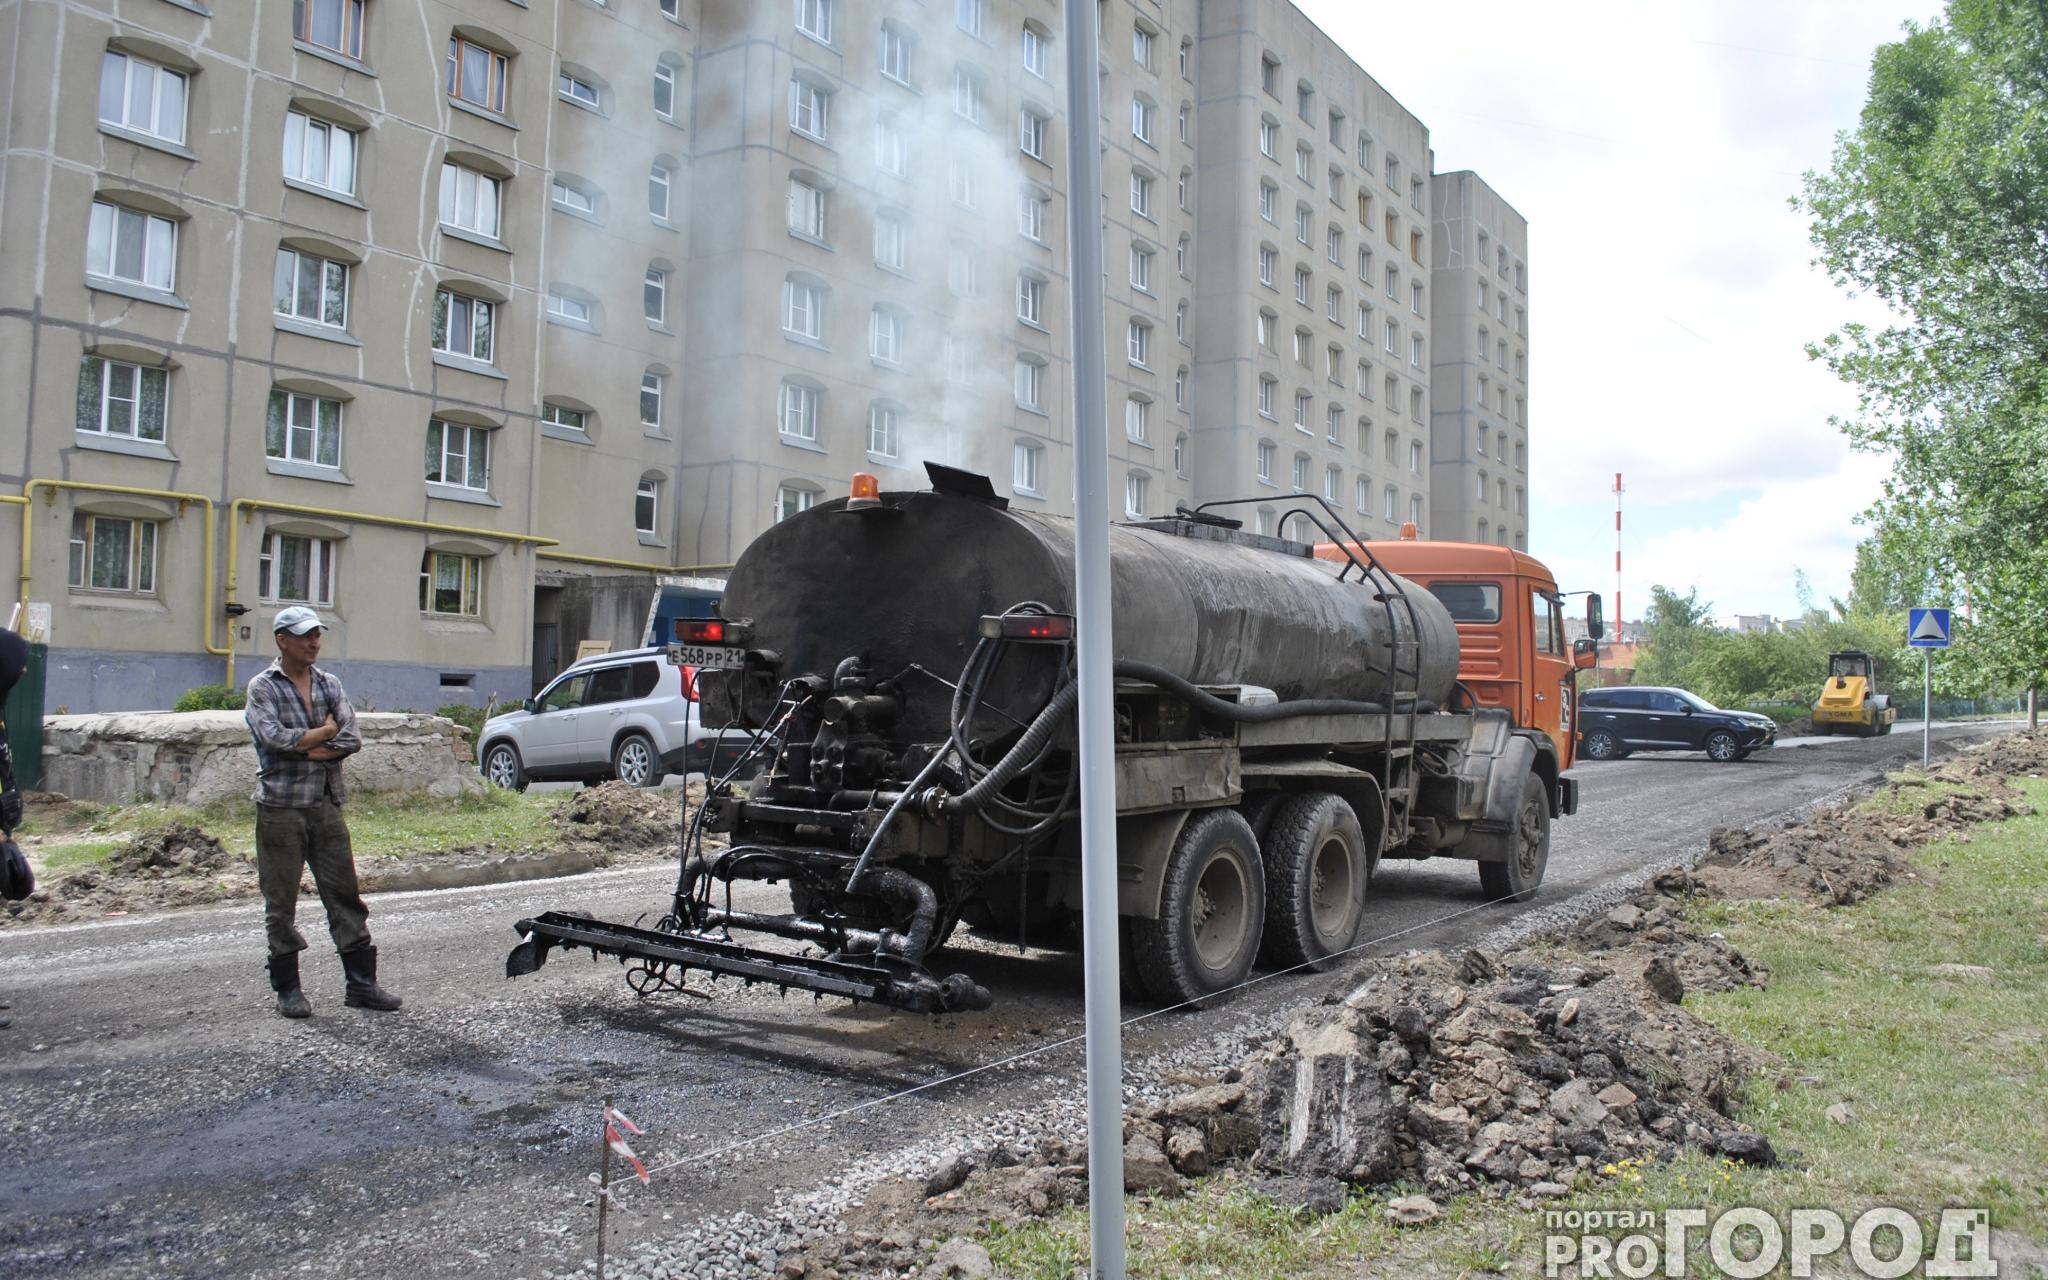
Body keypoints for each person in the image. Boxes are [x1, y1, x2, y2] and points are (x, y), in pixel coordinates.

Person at [244, 605, 401, 1018]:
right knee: (281, 901)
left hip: (327, 804)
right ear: (282, 639)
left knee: (345, 894)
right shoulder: (263, 687)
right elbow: (273, 738)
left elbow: (352, 738)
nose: (313, 642)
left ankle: (362, 985)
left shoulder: (329, 683)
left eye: (317, 635)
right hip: (280, 806)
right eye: (304, 635)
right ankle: (289, 991)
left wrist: (310, 746)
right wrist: (325, 734)